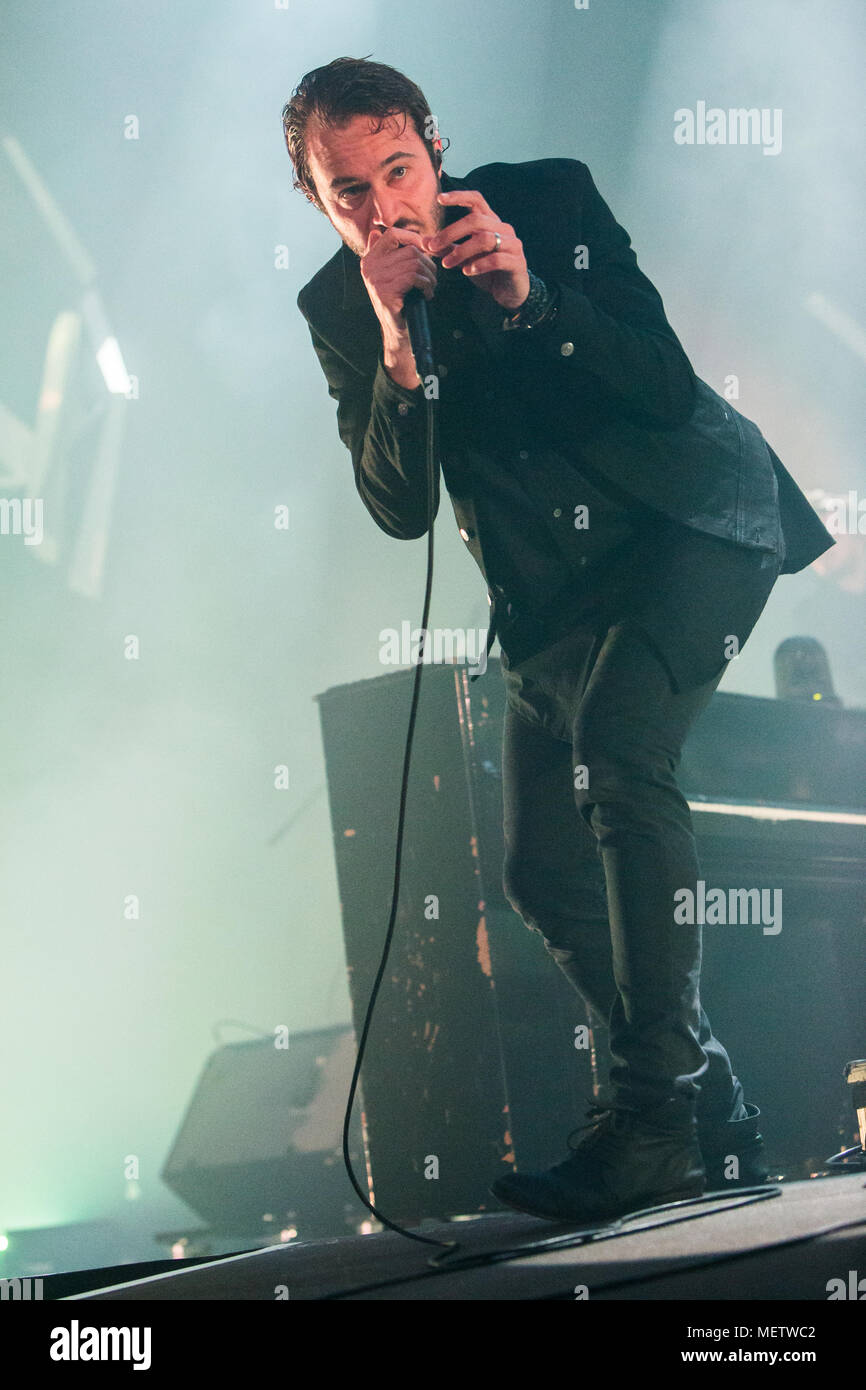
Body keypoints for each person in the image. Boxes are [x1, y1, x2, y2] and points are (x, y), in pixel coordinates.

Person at [284, 57, 835, 1222]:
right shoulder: (343, 308)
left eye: (397, 169)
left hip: (685, 520)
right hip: (549, 593)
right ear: (316, 203)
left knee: (623, 757)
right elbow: (396, 507)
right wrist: (394, 346)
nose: (384, 206)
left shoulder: (550, 200)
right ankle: (708, 1103)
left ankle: (646, 1120)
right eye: (348, 192)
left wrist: (531, 298)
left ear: (434, 148)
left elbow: (665, 384)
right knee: (540, 870)